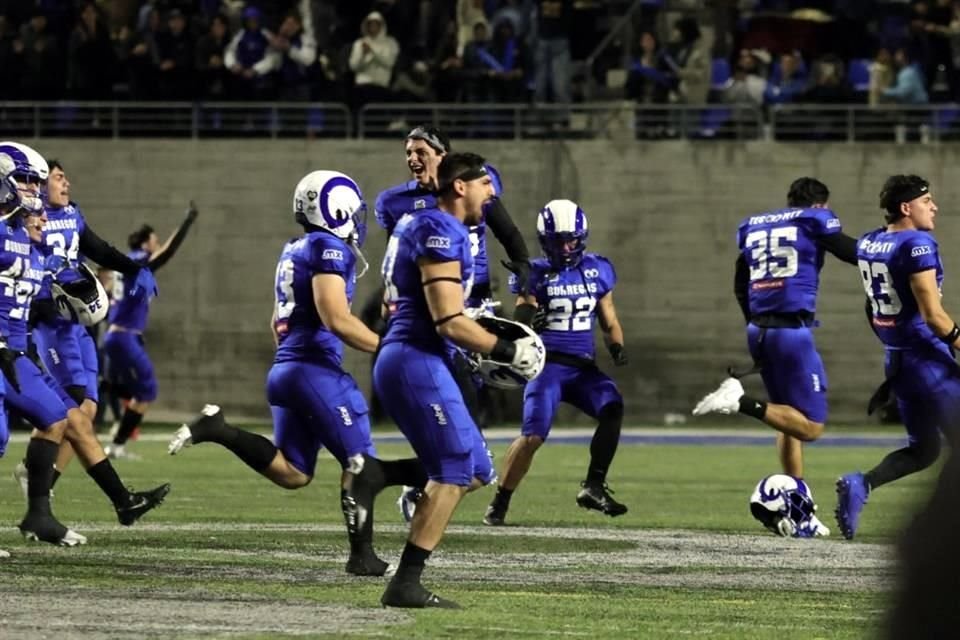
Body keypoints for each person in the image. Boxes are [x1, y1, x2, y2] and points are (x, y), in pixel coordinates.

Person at [169, 170, 427, 577]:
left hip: (287, 369)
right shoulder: (328, 248)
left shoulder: (294, 248)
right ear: (337, 209)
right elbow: (336, 318)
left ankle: (219, 428)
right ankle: (362, 555)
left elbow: (276, 321)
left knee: (293, 472)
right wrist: (389, 346)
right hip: (314, 370)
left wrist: (295, 365)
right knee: (360, 462)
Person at [373, 152, 542, 608]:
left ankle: (379, 476)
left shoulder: (428, 224)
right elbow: (448, 319)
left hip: (421, 357)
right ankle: (405, 583)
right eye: (485, 183)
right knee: (450, 470)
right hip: (415, 358)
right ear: (460, 186)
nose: (493, 192)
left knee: (474, 470)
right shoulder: (439, 228)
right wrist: (507, 351)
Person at [0, 142, 169, 546]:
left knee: (57, 417)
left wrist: (112, 278)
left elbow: (74, 265)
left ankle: (39, 515)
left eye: (37, 184)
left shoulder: (35, 244)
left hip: (19, 352)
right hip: (17, 346)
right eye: (27, 181)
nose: (35, 195)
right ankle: (119, 499)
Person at [692, 178, 861, 536]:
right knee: (812, 426)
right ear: (820, 205)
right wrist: (888, 250)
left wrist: (754, 321)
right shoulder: (815, 219)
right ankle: (741, 402)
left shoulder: (755, 224)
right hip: (791, 332)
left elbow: (741, 281)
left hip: (759, 330)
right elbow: (852, 251)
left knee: (790, 420)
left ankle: (797, 507)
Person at [483, 199, 628, 526]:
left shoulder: (598, 269)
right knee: (533, 436)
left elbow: (609, 319)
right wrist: (529, 317)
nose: (565, 247)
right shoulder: (533, 271)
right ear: (545, 242)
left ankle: (593, 486)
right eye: (557, 241)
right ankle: (501, 500)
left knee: (613, 409)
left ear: (582, 237)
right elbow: (521, 317)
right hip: (545, 366)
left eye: (570, 239)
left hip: (582, 368)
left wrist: (617, 346)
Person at [836, 175, 960, 540]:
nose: (934, 206)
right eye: (927, 201)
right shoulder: (918, 244)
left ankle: (863, 483)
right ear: (906, 207)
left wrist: (895, 347)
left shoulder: (872, 242)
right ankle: (941, 534)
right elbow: (934, 317)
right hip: (927, 358)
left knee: (924, 451)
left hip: (898, 360)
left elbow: (870, 307)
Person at [23, 159, 158, 489]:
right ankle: (35, 476)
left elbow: (99, 249)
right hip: (50, 323)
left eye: (66, 177)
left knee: (88, 408)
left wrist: (133, 269)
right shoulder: (27, 219)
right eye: (58, 178)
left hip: (78, 324)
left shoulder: (72, 214)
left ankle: (42, 481)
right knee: (69, 405)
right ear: (41, 185)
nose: (66, 183)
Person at [102, 206, 198, 459]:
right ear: (146, 244)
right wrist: (186, 223)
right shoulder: (137, 261)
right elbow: (167, 254)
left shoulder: (126, 262)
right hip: (125, 337)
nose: (157, 244)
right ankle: (117, 444)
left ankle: (114, 421)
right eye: (154, 240)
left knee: (137, 391)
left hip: (120, 335)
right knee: (148, 391)